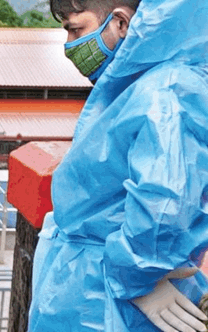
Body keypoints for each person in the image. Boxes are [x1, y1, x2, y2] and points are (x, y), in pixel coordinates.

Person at [29, 0, 208, 331]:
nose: (70, 45)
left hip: (108, 301)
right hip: (95, 288)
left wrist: (138, 277)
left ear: (121, 23)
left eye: (74, 29)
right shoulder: (146, 85)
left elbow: (167, 199)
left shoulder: (168, 92)